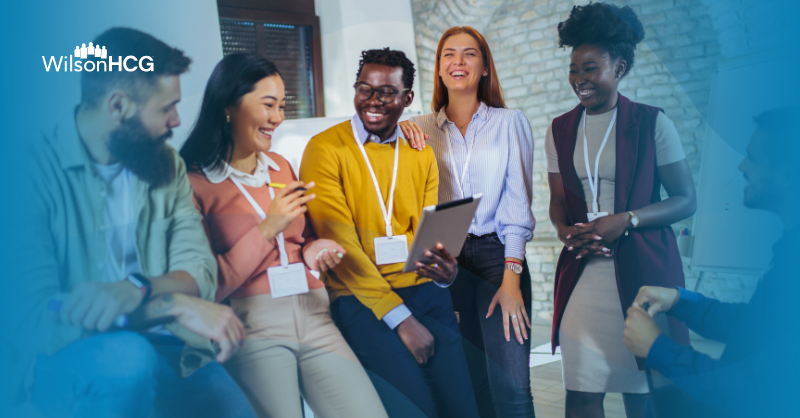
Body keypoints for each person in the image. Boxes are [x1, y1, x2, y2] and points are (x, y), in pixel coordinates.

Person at [2, 28, 256, 418]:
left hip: (170, 346)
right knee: (127, 358)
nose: (177, 119)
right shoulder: (25, 171)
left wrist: (137, 289)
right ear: (118, 105)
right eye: (165, 107)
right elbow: (36, 313)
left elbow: (199, 271)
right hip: (66, 352)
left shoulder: (166, 163)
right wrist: (172, 304)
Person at [180, 53, 388, 418]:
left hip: (314, 312)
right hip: (253, 327)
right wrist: (267, 229)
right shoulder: (192, 183)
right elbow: (204, 287)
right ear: (229, 105)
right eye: (268, 105)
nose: (278, 117)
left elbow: (299, 238)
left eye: (282, 105)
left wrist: (314, 248)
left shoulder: (280, 165)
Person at [299, 48, 480, 418]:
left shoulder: (419, 151)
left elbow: (426, 232)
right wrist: (402, 320)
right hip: (361, 299)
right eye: (364, 89)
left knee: (462, 407)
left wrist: (445, 274)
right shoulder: (324, 149)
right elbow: (343, 248)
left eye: (386, 92)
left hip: (425, 291)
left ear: (407, 98)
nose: (373, 101)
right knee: (415, 408)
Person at [545, 4, 697, 418]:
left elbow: (686, 199)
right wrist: (566, 232)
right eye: (573, 69)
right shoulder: (559, 129)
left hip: (643, 272)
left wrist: (625, 220)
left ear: (620, 66)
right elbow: (558, 203)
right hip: (584, 273)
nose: (579, 80)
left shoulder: (652, 123)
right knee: (580, 393)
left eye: (590, 68)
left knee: (642, 395)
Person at [623, 107, 800, 418]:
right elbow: (755, 326)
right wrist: (680, 300)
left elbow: (756, 392)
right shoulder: (789, 250)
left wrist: (657, 348)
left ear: (786, 174)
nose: (742, 166)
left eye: (754, 159)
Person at [399, 26, 536, 418]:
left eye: (469, 54)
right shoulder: (418, 130)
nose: (458, 61)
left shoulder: (511, 123)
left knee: (511, 385)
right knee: (469, 385)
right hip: (446, 260)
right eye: (449, 55)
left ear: (485, 67)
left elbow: (518, 203)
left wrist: (511, 277)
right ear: (439, 70)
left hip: (497, 257)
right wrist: (398, 130)